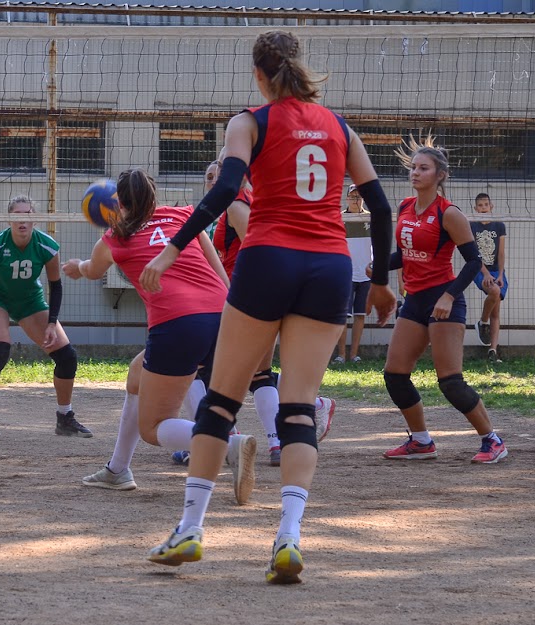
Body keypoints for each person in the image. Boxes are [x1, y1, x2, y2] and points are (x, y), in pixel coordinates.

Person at [138, 31, 396, 583]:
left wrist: (172, 247)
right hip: (328, 266)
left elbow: (224, 191)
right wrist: (380, 279)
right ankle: (289, 538)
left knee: (222, 400)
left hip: (268, 257)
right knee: (299, 408)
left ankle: (189, 530)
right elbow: (378, 204)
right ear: (300, 68)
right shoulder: (339, 127)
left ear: (258, 73)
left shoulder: (249, 121)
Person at [62, 169, 256, 501]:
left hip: (178, 326)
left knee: (153, 429)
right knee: (137, 375)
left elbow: (92, 271)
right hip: (223, 317)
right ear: (156, 195)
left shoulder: (114, 238)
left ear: (119, 203)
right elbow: (218, 271)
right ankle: (117, 470)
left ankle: (227, 443)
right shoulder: (184, 216)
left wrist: (76, 267)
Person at [380, 136, 507, 465]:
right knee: (394, 374)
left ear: (440, 175)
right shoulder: (406, 207)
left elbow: (473, 261)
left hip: (443, 299)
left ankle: (492, 441)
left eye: (423, 168)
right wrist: (377, 266)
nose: (415, 173)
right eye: (413, 167)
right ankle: (421, 441)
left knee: (450, 381)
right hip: (416, 299)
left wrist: (450, 295)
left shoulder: (449, 213)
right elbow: (407, 254)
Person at [202, 158, 336, 468]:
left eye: (219, 173)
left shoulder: (238, 203)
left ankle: (215, 438)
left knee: (218, 369)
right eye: (209, 176)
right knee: (256, 373)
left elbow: (260, 246)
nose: (213, 181)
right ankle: (276, 442)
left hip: (254, 294)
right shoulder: (230, 206)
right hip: (254, 292)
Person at [0, 195, 90, 438]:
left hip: (30, 300)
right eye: (17, 216)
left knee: (67, 357)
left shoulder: (47, 246)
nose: (23, 221)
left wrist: (52, 323)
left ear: (35, 218)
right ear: (10, 219)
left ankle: (65, 417)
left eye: (28, 215)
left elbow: (56, 286)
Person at [333, 183, 373, 364]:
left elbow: (378, 246)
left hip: (366, 274)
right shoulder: (340, 219)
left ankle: (354, 355)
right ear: (347, 198)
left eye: (359, 196)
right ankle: (341, 355)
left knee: (360, 316)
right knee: (343, 316)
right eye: (353, 196)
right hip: (345, 275)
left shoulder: (370, 218)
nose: (356, 199)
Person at [470, 193, 508, 362]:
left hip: (495, 271)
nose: (483, 208)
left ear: (491, 206)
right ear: (475, 208)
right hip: (479, 269)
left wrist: (500, 274)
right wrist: (485, 273)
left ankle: (493, 350)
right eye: (480, 205)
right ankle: (482, 323)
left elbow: (500, 253)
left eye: (486, 204)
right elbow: (474, 254)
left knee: (496, 306)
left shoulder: (499, 225)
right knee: (494, 291)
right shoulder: (472, 226)